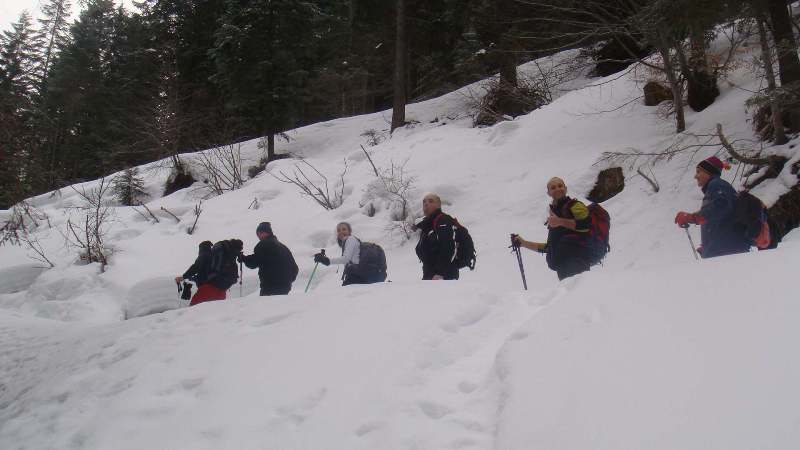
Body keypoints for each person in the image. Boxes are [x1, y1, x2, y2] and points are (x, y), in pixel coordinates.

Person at [512, 177, 592, 280]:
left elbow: (586, 225)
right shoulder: (555, 212)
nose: (557, 189)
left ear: (566, 188)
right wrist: (523, 243)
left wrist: (560, 221)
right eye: (553, 187)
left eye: (560, 186)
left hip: (577, 261)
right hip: (563, 266)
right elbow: (550, 248)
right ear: (548, 193)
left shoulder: (575, 206)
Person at [674, 156, 750, 258]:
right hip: (726, 250)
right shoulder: (715, 188)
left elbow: (720, 207)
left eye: (698, 172)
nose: (695, 176)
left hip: (728, 253)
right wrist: (707, 245)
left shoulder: (717, 185)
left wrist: (691, 217)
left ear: (709, 172)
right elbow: (721, 218)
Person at [313, 222, 386, 285]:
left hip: (359, 275)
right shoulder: (350, 242)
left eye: (344, 229)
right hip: (365, 275)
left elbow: (346, 259)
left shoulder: (350, 239)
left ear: (349, 231)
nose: (341, 232)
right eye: (338, 230)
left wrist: (327, 261)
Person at [176, 239, 242, 306]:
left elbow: (196, 267)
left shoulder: (205, 254)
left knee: (192, 312)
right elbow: (204, 275)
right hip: (222, 291)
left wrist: (183, 277)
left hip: (208, 289)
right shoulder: (216, 258)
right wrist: (190, 278)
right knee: (213, 314)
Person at [240, 222, 299, 296]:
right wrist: (287, 281)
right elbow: (295, 268)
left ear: (263, 232)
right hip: (285, 287)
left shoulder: (263, 245)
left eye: (259, 234)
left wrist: (244, 259)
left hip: (270, 287)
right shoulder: (283, 247)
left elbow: (255, 262)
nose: (258, 236)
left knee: (266, 307)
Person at [415, 193, 460, 280]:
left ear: (438, 205)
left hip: (444, 276)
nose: (426, 204)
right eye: (424, 202)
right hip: (431, 274)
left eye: (431, 201)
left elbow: (448, 246)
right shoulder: (428, 225)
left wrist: (440, 273)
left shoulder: (443, 220)